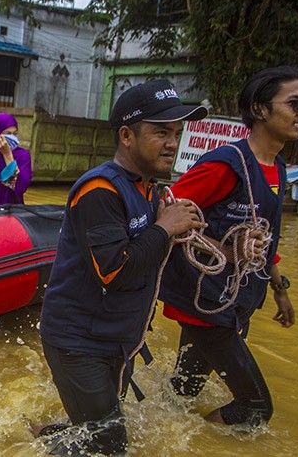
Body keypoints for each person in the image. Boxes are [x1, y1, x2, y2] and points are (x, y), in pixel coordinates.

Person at [37, 80, 208, 455]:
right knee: (110, 445)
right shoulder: (100, 189)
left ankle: (37, 437)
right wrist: (164, 228)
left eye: (176, 133)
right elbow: (113, 272)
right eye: (161, 132)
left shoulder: (149, 189)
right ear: (127, 136)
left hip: (117, 337)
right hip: (79, 342)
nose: (172, 143)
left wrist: (174, 230)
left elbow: (152, 259)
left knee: (97, 430)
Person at [159, 66, 298, 429]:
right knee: (255, 408)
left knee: (181, 394)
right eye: (293, 103)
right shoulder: (226, 166)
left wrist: (279, 288)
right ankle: (198, 442)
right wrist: (226, 250)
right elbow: (166, 208)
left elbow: (265, 236)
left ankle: (167, 438)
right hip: (207, 302)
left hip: (237, 299)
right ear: (260, 109)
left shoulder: (277, 167)